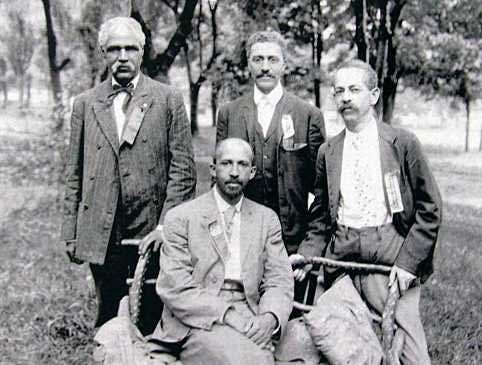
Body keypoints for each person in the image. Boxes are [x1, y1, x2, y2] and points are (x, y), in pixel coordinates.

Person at [291, 60, 442, 364]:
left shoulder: (402, 143)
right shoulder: (328, 151)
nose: (345, 97)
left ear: (373, 95)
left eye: (354, 89)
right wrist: (308, 254)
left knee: (412, 356)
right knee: (325, 338)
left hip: (390, 260)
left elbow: (430, 208)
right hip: (340, 259)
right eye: (339, 91)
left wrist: (408, 263)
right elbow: (320, 216)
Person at [61, 17, 196, 332]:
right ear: (103, 53)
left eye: (130, 48)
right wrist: (71, 230)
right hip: (102, 227)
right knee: (109, 312)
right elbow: (75, 172)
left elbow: (184, 171)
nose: (122, 56)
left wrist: (167, 226)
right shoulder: (85, 103)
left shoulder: (168, 99)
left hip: (149, 227)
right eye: (114, 49)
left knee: (151, 312)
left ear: (142, 51)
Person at [152, 138, 294, 365]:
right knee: (249, 361)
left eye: (242, 164)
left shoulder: (265, 219)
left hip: (251, 313)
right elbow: (175, 285)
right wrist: (228, 315)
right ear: (213, 169)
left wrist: (269, 318)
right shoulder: (182, 217)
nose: (235, 172)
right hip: (198, 318)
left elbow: (279, 280)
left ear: (253, 171)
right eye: (226, 163)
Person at [216, 30, 326, 256]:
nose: (265, 67)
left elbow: (321, 191)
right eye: (258, 59)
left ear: (284, 65)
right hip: (240, 238)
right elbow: (218, 178)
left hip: (292, 243)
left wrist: (309, 247)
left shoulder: (308, 115)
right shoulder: (229, 113)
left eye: (272, 59)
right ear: (249, 64)